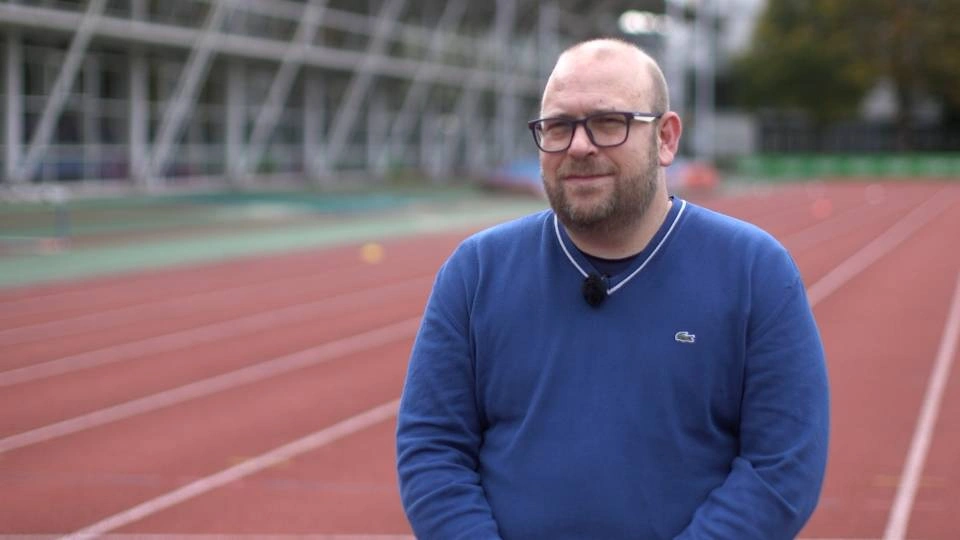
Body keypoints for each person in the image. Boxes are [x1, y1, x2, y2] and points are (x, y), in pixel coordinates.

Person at [396, 38, 830, 539]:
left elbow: (781, 466)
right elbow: (432, 447)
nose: (579, 145)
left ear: (665, 139)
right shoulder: (475, 272)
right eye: (558, 126)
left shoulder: (755, 272)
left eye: (608, 122)